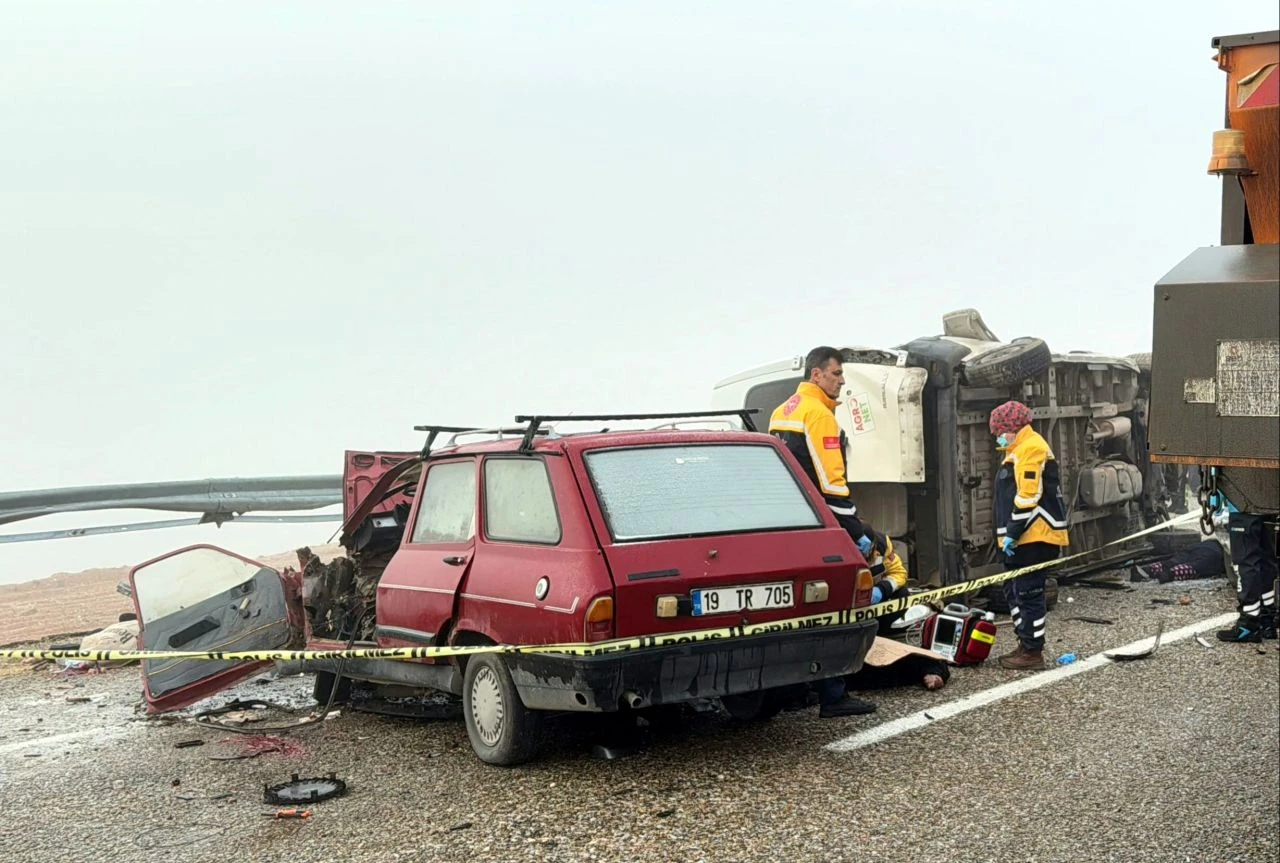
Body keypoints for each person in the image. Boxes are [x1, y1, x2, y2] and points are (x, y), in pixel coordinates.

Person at [770, 345, 883, 718]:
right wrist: (856, 531)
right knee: (835, 609)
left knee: (790, 613)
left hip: (785, 526)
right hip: (821, 529)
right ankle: (833, 695)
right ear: (816, 374)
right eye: (836, 374)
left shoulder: (781, 411)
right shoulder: (819, 416)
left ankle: (788, 691)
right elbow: (832, 486)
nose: (842, 380)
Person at [990, 400, 1069, 670]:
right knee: (1012, 590)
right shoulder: (1017, 450)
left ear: (1012, 428)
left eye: (999, 431)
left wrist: (1012, 532)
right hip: (1023, 538)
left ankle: (1032, 653)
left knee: (1028, 592)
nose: (997, 436)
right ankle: (1025, 643)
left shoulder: (1031, 447)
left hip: (1035, 537)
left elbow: (1028, 494)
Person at [1216, 506, 1279, 642]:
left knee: (1245, 563)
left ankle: (1248, 624)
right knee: (1266, 560)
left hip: (1242, 506)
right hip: (1267, 507)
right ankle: (1267, 621)